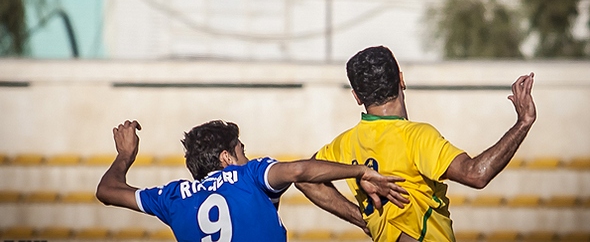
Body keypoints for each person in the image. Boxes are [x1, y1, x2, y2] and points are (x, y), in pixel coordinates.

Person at [296, 46, 536, 242]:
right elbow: (476, 174)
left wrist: (361, 219)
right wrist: (523, 123)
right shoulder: (416, 136)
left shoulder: (345, 144)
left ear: (357, 97)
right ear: (401, 80)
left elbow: (304, 178)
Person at [96, 119, 410, 242]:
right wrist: (361, 171)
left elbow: (107, 191)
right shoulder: (248, 175)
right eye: (241, 151)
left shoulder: (173, 197)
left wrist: (126, 154)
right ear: (226, 158)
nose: (247, 156)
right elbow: (299, 171)